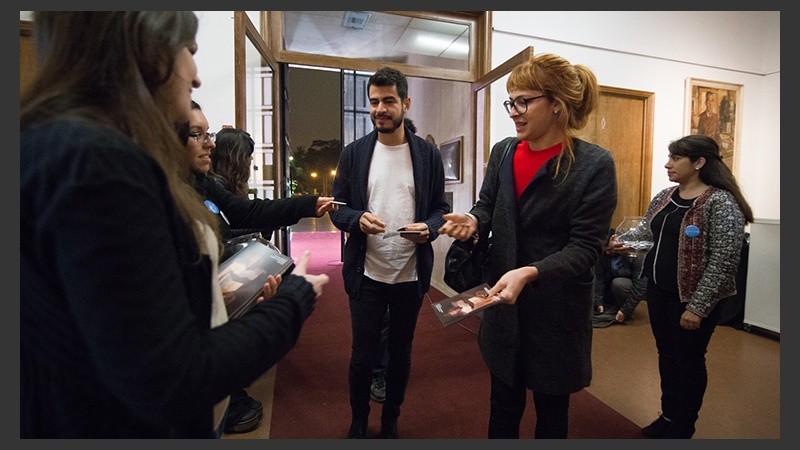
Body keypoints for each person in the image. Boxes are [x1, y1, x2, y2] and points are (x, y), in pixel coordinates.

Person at [21, 11, 330, 438]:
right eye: (190, 51)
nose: (196, 76)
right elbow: (174, 378)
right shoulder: (99, 164)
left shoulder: (53, 145)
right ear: (149, 50)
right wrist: (294, 298)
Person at [438, 53, 617, 439]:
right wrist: (473, 221)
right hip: (504, 303)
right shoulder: (504, 151)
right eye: (511, 102)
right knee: (503, 408)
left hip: (557, 310)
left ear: (557, 104)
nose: (513, 112)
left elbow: (587, 247)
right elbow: (487, 206)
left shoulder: (593, 164)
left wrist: (531, 272)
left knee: (551, 414)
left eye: (523, 101)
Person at [183, 104, 338, 434]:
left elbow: (247, 212)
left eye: (209, 134)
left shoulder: (204, 182)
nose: (211, 143)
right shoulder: (157, 196)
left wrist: (307, 204)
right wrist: (293, 298)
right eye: (198, 134)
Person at [329, 67, 450, 439]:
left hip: (409, 275)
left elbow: (440, 209)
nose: (379, 109)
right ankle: (359, 420)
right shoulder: (354, 154)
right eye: (374, 102)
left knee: (400, 355)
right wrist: (356, 219)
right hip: (366, 273)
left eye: (388, 101)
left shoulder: (427, 155)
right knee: (362, 356)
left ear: (405, 103)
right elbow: (338, 208)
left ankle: (391, 421)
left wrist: (429, 228)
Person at [639, 134, 753, 439]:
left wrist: (698, 308)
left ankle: (683, 427)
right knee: (667, 357)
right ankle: (667, 416)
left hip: (692, 300)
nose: (668, 164)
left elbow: (724, 260)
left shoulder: (721, 202)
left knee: (688, 362)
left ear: (699, 162)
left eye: (675, 158)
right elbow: (645, 231)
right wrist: (621, 242)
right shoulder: (665, 196)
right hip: (658, 291)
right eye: (669, 157)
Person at [370, 117, 418, 404]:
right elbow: (346, 208)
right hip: (372, 265)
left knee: (399, 334)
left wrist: (429, 227)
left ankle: (390, 374)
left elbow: (437, 209)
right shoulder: (368, 159)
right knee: (378, 328)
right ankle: (376, 372)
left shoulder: (420, 163)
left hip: (409, 267)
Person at [209, 127, 276, 241]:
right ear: (236, 159)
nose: (251, 159)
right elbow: (223, 234)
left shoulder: (227, 184)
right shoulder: (215, 188)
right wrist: (261, 228)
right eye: (248, 155)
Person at [592, 230, 647, 326]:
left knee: (619, 283)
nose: (607, 252)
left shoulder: (636, 255)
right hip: (610, 289)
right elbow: (599, 279)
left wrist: (625, 310)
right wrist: (599, 303)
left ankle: (625, 312)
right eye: (606, 250)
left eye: (609, 249)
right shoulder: (603, 254)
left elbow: (640, 286)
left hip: (625, 287)